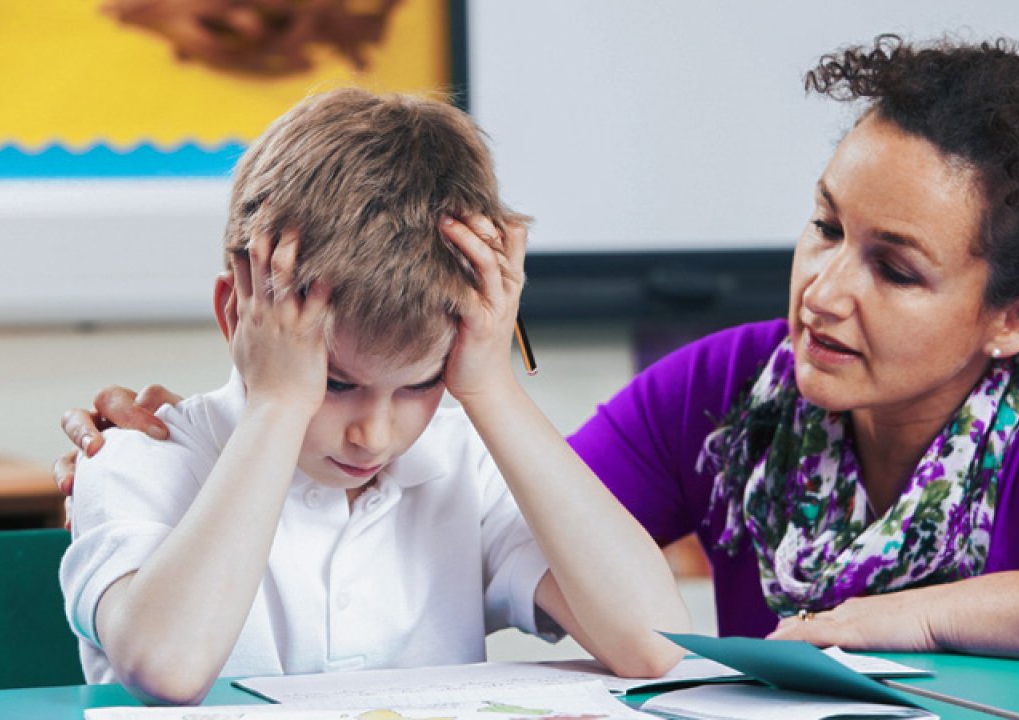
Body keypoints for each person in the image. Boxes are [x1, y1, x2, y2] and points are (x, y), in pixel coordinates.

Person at [58, 34, 1019, 676]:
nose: (823, 291)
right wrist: (268, 414)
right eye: (823, 227)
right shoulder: (733, 390)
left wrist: (923, 619)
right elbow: (569, 547)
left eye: (893, 269)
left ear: (1014, 320)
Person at [57, 88, 688, 705]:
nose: (374, 435)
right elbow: (168, 668)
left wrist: (491, 387)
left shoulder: (464, 466)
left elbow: (658, 646)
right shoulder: (136, 458)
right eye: (334, 384)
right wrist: (279, 403)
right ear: (237, 315)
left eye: (420, 384)